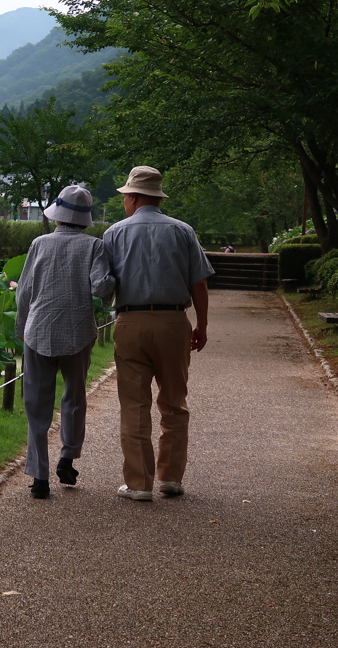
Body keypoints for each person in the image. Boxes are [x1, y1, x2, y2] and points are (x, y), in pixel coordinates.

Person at [103, 166, 215, 501]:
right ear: (157, 196)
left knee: (134, 405)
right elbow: (199, 282)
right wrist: (202, 325)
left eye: (126, 197)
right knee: (174, 403)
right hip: (173, 322)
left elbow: (105, 285)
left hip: (130, 322)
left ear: (133, 197)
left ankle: (138, 483)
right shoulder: (183, 231)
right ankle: (170, 478)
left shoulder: (114, 233)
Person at [15, 185, 115, 499]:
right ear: (85, 218)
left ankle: (39, 478)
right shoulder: (95, 247)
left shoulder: (39, 243)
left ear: (57, 216)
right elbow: (101, 289)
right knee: (74, 396)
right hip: (78, 332)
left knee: (36, 405)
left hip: (38, 330)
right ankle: (68, 458)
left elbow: (24, 292)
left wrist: (22, 327)